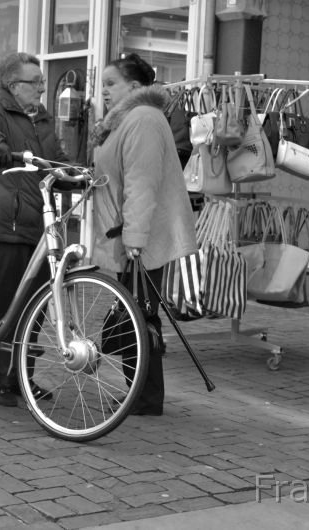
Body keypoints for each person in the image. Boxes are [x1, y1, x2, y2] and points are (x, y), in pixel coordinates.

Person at [90, 54, 198, 416]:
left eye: (110, 83)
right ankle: (140, 393)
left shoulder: (144, 120)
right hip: (129, 234)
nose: (103, 91)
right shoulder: (125, 121)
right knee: (135, 312)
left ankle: (146, 397)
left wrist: (135, 240)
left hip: (141, 238)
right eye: (102, 84)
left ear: (134, 87)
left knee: (140, 315)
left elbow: (142, 184)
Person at [0, 52, 68, 407]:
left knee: (32, 310)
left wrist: (73, 174)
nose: (42, 87)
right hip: (5, 224)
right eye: (35, 82)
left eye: (42, 82)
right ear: (13, 85)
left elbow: (52, 161)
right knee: (1, 310)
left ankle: (21, 378)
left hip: (39, 226)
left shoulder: (40, 118)